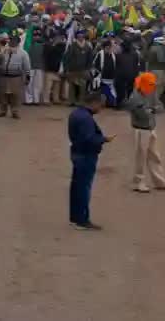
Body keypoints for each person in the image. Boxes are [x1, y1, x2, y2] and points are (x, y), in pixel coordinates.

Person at [124, 72, 165, 193]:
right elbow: (142, 114)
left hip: (151, 128)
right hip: (140, 129)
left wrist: (151, 109)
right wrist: (151, 110)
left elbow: (160, 107)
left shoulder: (151, 92)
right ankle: (138, 183)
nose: (152, 86)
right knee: (140, 158)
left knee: (155, 157)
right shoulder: (135, 96)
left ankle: (160, 182)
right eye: (150, 84)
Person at [68, 91, 114, 230]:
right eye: (101, 105)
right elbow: (89, 139)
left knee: (76, 187)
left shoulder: (76, 113)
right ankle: (82, 219)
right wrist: (103, 140)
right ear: (94, 103)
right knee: (83, 188)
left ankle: (75, 217)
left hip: (77, 152)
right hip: (85, 155)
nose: (101, 108)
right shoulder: (85, 118)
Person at [0, 33, 29, 119]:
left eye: (14, 40)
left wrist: (27, 76)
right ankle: (2, 111)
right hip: (3, 75)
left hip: (16, 77)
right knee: (2, 94)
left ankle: (15, 112)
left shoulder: (23, 53)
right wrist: (1, 54)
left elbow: (27, 66)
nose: (12, 42)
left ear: (18, 42)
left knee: (15, 95)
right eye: (10, 40)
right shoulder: (4, 50)